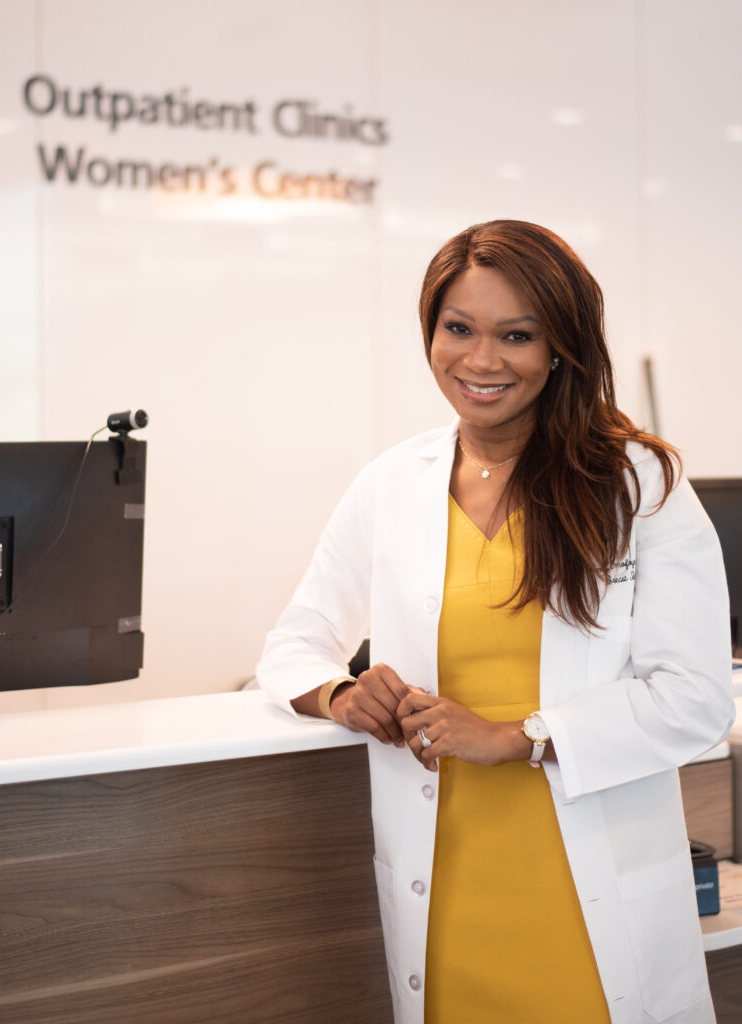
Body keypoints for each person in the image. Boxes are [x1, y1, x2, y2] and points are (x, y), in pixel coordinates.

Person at [256, 220, 734, 1024]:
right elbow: (294, 645)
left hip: (589, 891)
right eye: (457, 329)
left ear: (562, 348)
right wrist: (338, 694)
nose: (479, 361)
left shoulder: (638, 482)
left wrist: (519, 735)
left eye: (516, 335)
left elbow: (694, 700)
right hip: (446, 884)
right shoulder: (391, 482)